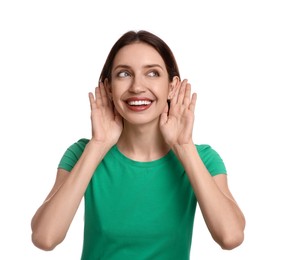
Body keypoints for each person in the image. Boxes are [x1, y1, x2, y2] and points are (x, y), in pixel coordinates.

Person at [31, 30, 245, 259]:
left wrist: (183, 146)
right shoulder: (83, 153)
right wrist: (98, 145)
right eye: (124, 74)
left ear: (172, 87)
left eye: (152, 73)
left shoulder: (202, 158)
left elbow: (230, 237)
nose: (137, 87)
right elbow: (45, 237)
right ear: (109, 87)